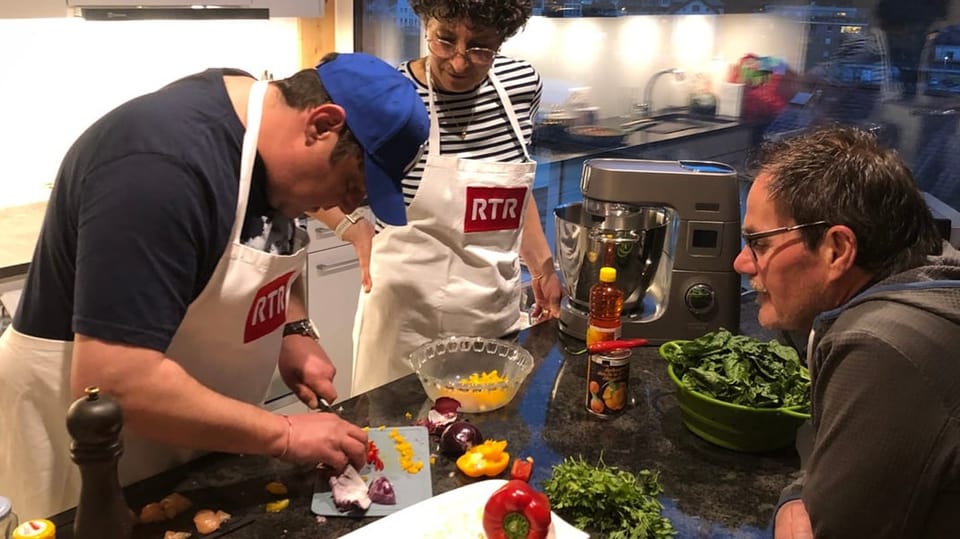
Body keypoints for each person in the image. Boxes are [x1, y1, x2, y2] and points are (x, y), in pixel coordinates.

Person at [0, 52, 429, 520]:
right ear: (321, 124)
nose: (342, 207)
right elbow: (113, 382)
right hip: (87, 458)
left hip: (187, 440)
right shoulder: (160, 169)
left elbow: (268, 238)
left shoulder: (263, 136)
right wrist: (284, 433)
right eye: (350, 186)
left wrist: (293, 331)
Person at [312, 0, 563, 395]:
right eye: (445, 41)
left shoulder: (520, 86)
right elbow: (303, 180)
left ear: (503, 39)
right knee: (397, 447)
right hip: (405, 328)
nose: (460, 63)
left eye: (480, 47)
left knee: (488, 447)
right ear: (425, 23)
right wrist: (350, 227)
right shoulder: (392, 100)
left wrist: (544, 268)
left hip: (493, 323)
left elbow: (515, 193)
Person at [734, 125, 960, 538]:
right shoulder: (925, 278)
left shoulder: (883, 347)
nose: (742, 263)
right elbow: (822, 474)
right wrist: (796, 498)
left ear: (836, 250)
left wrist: (798, 502)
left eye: (760, 244)